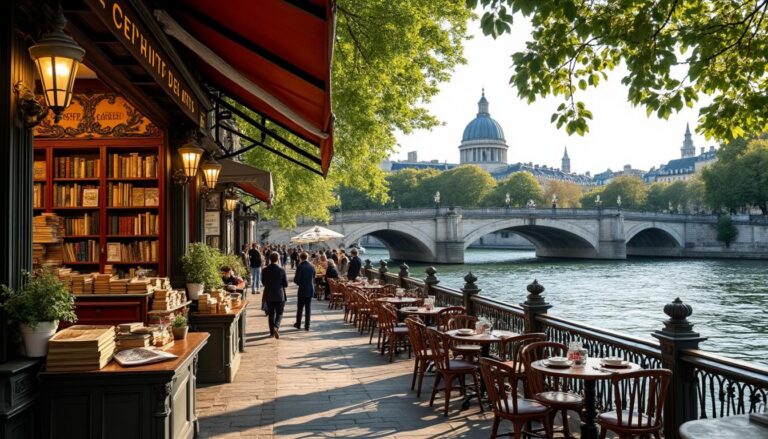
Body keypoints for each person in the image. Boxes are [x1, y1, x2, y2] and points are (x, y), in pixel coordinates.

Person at [261, 252, 287, 338]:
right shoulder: (281, 270)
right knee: (279, 313)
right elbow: (285, 284)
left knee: (271, 314)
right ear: (278, 259)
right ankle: (276, 326)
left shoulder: (265, 270)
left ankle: (271, 332)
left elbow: (263, 282)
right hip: (279, 294)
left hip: (269, 294)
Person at [293, 252, 315, 331]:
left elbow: (296, 279)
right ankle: (307, 325)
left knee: (300, 308)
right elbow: (313, 276)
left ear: (300, 258)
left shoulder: (300, 266)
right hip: (310, 288)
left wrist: (299, 283)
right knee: (308, 308)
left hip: (302, 288)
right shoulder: (312, 266)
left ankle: (298, 323)